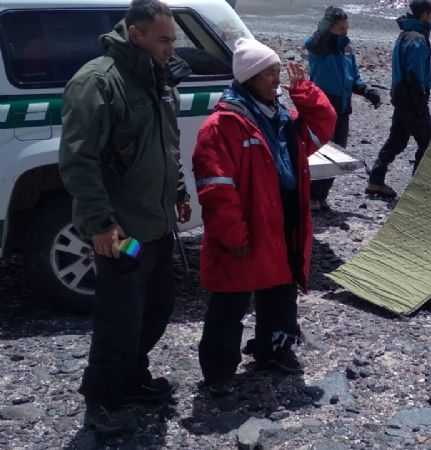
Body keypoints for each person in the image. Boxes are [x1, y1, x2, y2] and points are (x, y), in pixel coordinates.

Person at [59, 0, 191, 435]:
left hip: (156, 227)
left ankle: (132, 378)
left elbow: (166, 145)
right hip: (120, 232)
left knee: (157, 306)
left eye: (173, 40)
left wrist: (178, 191)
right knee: (119, 316)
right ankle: (102, 400)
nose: (171, 48)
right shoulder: (98, 82)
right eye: (163, 40)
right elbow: (80, 161)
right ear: (135, 34)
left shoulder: (157, 79)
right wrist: (100, 223)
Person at [193, 38, 336, 396]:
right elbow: (216, 188)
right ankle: (218, 372)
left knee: (280, 290)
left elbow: (322, 126)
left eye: (276, 72)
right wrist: (233, 235)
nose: (277, 80)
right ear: (250, 78)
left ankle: (274, 351)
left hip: (281, 221)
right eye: (269, 73)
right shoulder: (223, 124)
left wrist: (304, 91)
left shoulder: (282, 119)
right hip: (248, 225)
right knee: (230, 300)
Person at [306, 6, 382, 212]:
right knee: (321, 151)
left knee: (338, 151)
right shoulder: (318, 46)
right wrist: (326, 30)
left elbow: (353, 77)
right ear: (329, 27)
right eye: (341, 28)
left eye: (346, 28)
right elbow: (312, 44)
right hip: (323, 106)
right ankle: (311, 195)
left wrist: (367, 91)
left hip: (342, 105)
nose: (345, 32)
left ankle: (322, 196)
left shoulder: (347, 48)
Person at [365, 0, 431, 198]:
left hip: (400, 94)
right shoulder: (417, 39)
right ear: (424, 14)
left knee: (397, 140)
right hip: (411, 96)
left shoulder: (405, 34)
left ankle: (375, 180)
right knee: (427, 142)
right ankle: (417, 192)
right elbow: (414, 75)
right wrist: (421, 104)